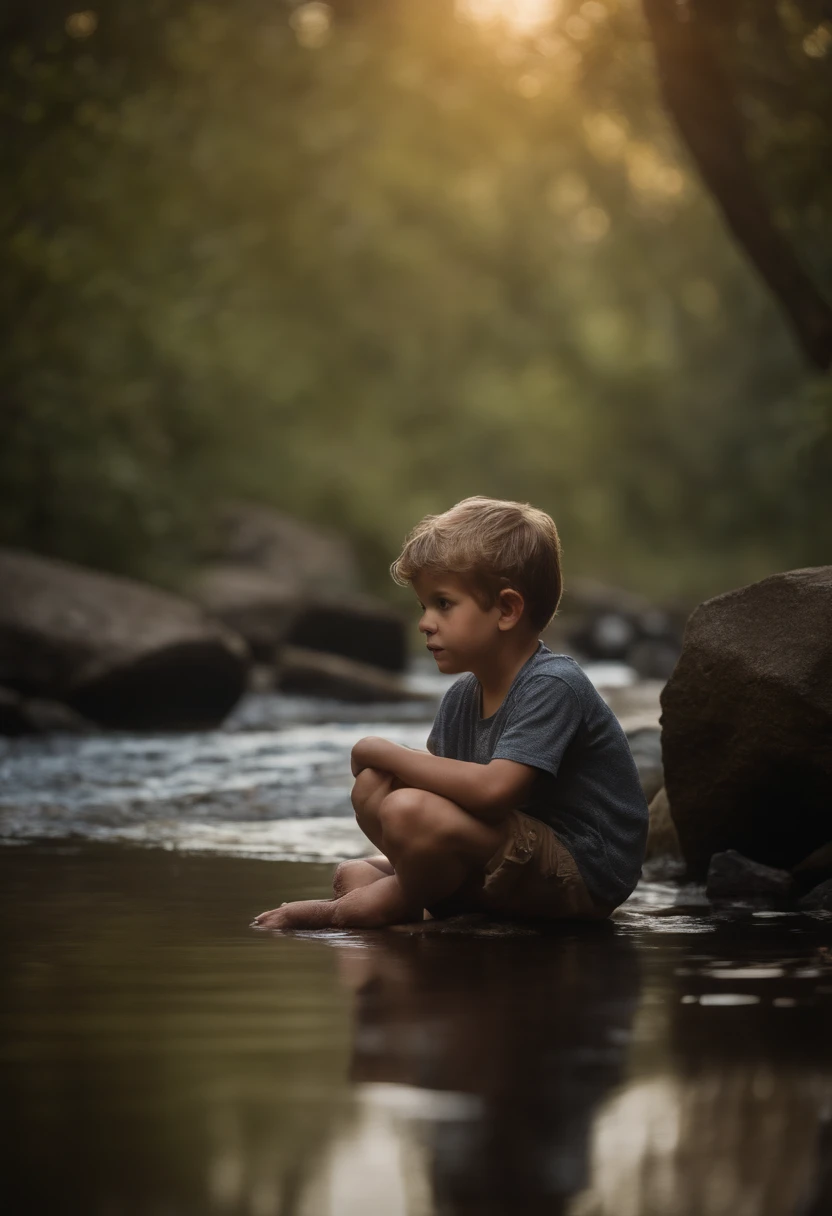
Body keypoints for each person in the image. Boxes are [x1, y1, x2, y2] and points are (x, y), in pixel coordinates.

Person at [251, 496, 648, 931]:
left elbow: (495, 792)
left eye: (443, 604)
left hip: (584, 869)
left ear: (507, 609)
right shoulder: (462, 697)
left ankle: (377, 906)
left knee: (402, 813)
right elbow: (445, 802)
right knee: (368, 809)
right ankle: (429, 895)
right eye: (423, 606)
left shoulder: (553, 684)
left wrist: (381, 749)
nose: (424, 622)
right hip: (513, 852)